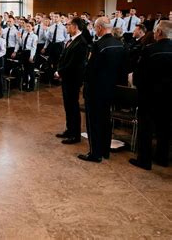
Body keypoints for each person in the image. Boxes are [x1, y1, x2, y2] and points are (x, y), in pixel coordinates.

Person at [78, 17, 126, 163]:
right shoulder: (120, 45)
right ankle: (105, 150)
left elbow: (90, 69)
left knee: (94, 122)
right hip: (111, 89)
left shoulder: (98, 45)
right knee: (106, 120)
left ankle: (95, 153)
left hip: (95, 90)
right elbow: (123, 70)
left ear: (99, 28)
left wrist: (84, 82)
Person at [130, 21, 172, 170]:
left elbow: (139, 74)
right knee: (164, 128)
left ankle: (144, 160)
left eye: (155, 30)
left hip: (149, 95)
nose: (154, 33)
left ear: (159, 32)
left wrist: (138, 87)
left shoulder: (149, 49)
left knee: (146, 128)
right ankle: (162, 158)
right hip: (169, 97)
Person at [55, 17, 88, 144]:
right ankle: (69, 129)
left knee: (73, 106)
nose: (66, 27)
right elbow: (64, 58)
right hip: (67, 78)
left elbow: (74, 64)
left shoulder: (81, 43)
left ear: (75, 26)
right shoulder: (72, 40)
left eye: (68, 25)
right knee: (68, 105)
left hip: (73, 79)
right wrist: (59, 69)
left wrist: (60, 71)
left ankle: (75, 135)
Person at [42, 12, 68, 82]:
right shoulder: (51, 27)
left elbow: (67, 38)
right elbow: (47, 37)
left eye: (57, 17)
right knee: (50, 61)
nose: (55, 18)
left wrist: (64, 46)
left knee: (58, 62)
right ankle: (50, 77)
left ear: (59, 18)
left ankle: (57, 78)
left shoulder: (63, 27)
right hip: (52, 45)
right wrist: (45, 30)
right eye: (54, 17)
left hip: (59, 45)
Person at [19, 22, 38, 91]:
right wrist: (19, 38)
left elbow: (34, 47)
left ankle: (31, 86)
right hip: (24, 52)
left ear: (32, 27)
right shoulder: (24, 34)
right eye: (26, 26)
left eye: (29, 26)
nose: (27, 28)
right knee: (25, 70)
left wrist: (31, 56)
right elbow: (21, 44)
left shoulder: (34, 36)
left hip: (30, 53)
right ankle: (25, 84)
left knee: (31, 71)